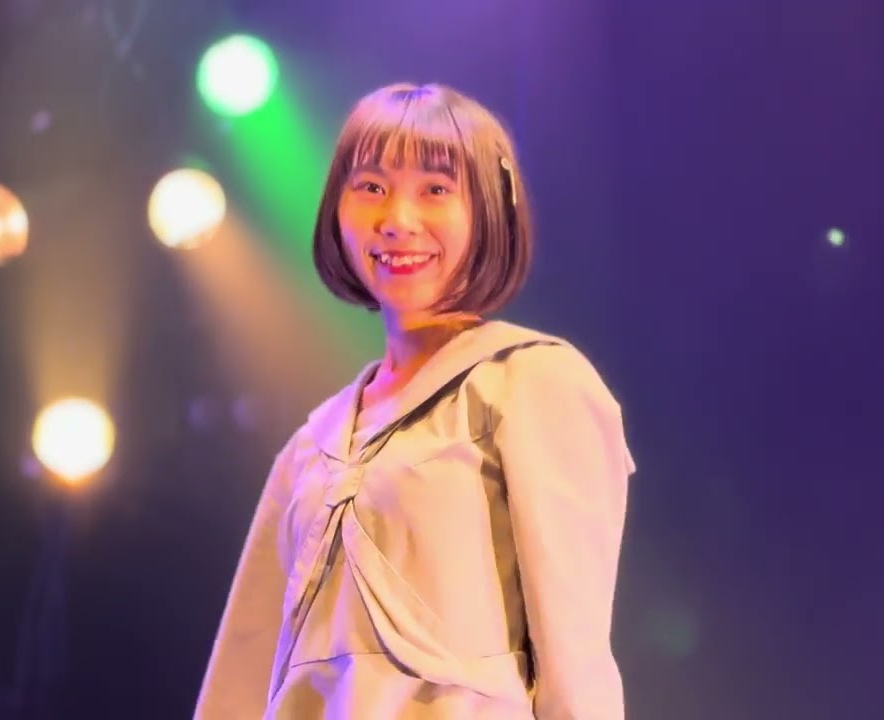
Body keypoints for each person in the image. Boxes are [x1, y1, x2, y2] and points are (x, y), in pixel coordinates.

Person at [194, 82, 635, 719]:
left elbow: (576, 655)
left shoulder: (530, 381)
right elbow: (241, 673)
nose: (398, 219)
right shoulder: (312, 445)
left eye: (435, 189)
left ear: (488, 211)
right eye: (371, 186)